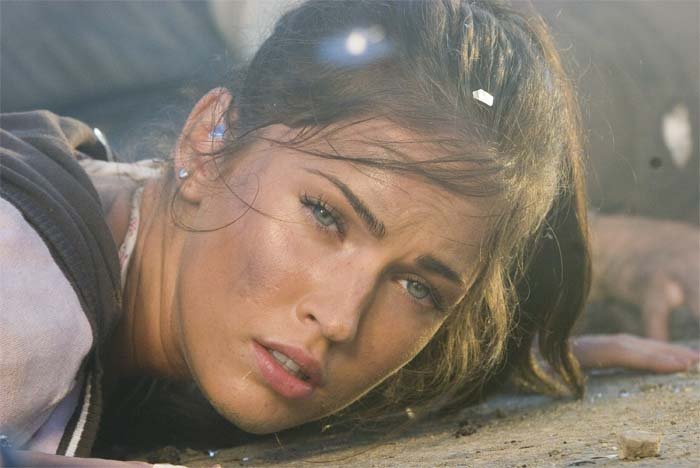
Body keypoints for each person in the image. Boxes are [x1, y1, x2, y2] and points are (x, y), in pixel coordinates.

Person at [1, 1, 697, 466]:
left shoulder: (107, 218)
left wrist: (489, 368)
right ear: (208, 138)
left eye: (417, 287)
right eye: (326, 216)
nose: (339, 319)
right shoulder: (28, 298)